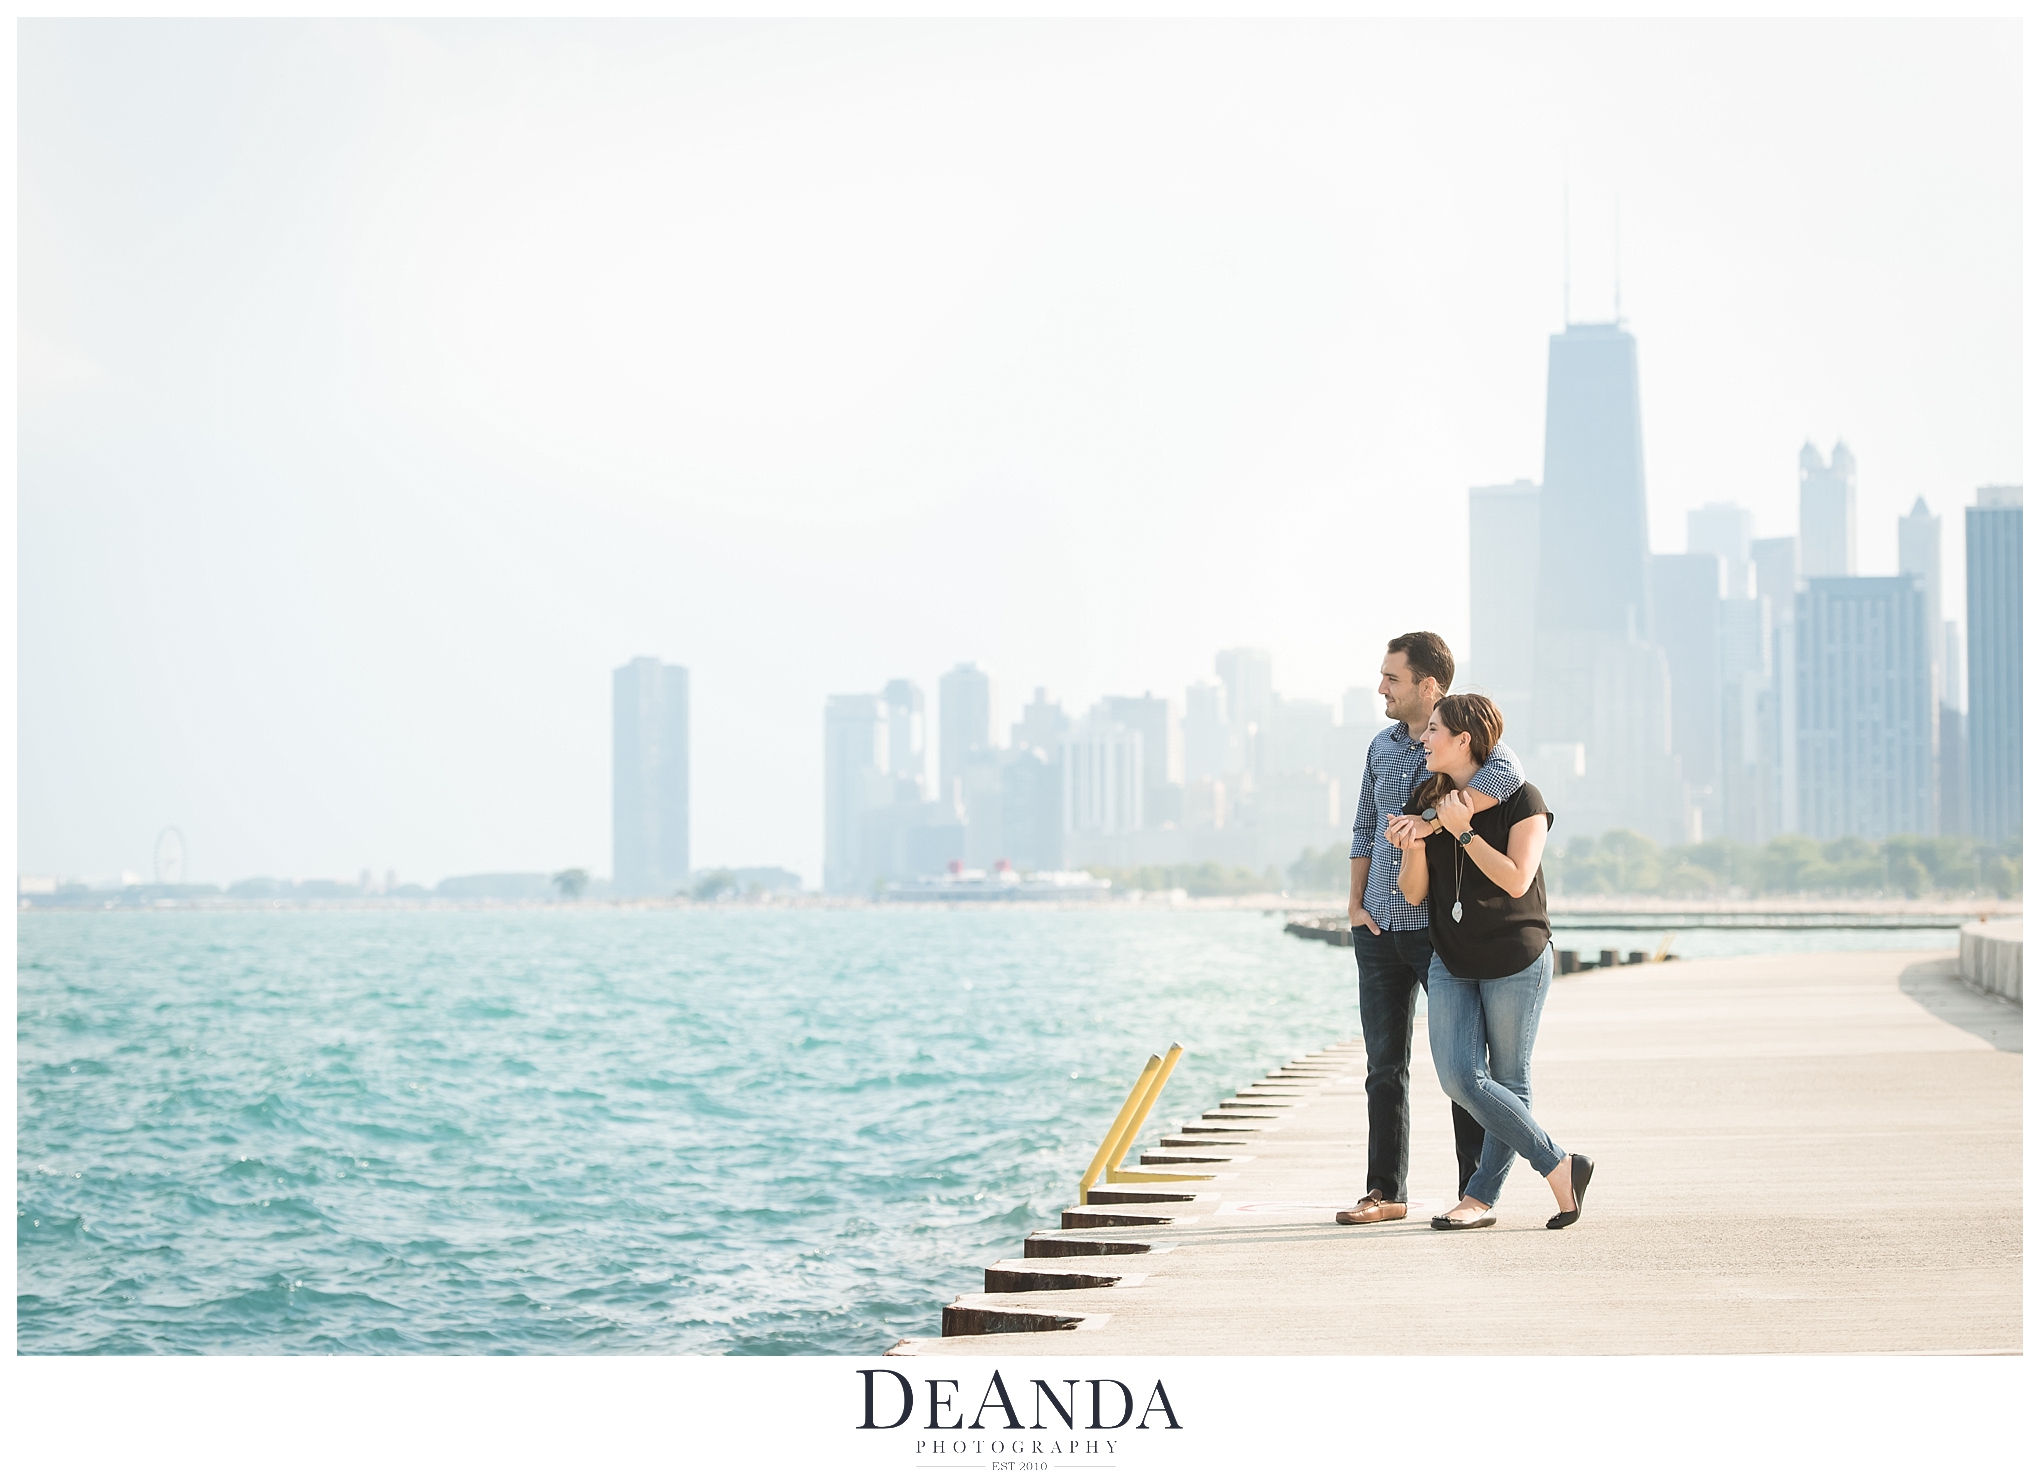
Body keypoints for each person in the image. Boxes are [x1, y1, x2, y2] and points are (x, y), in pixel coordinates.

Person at [1334, 633, 1524, 1227]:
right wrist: (1354, 903)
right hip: (1380, 925)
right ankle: (1384, 1192)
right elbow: (1365, 824)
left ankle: (1474, 1194)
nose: (1381, 688)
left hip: (1437, 927)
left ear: (1428, 686)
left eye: (1392, 678)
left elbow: (1506, 782)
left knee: (1461, 1066)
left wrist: (1428, 821)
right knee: (1383, 1066)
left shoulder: (1471, 748)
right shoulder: (1381, 747)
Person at [1391, 692, 1593, 1230]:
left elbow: (1515, 878)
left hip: (1516, 956)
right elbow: (1414, 896)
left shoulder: (1523, 798)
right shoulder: (1426, 798)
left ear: (1464, 740)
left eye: (1434, 730)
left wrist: (1462, 832)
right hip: (1451, 958)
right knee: (1459, 1076)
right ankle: (1559, 1165)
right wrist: (1412, 847)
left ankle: (1479, 1199)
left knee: (1509, 1078)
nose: (1424, 737)